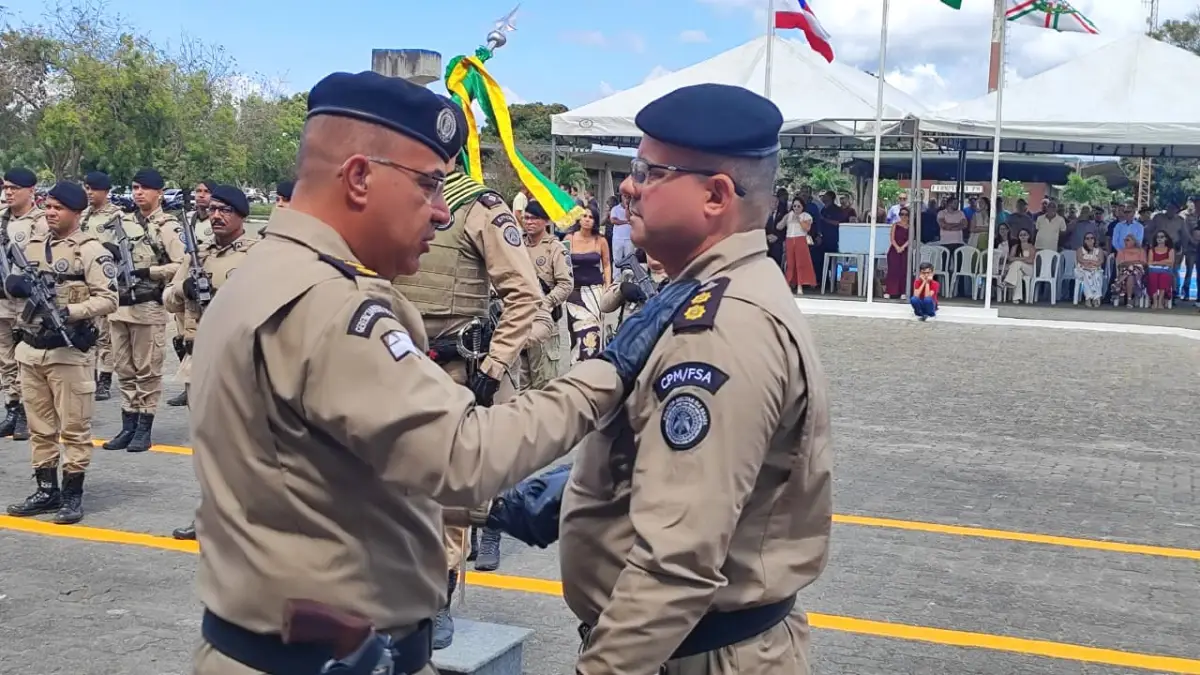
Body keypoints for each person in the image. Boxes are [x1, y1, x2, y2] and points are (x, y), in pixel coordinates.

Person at [187, 70, 696, 675]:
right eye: (429, 185)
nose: (438, 211)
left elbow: (326, 470)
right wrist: (607, 372)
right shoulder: (330, 305)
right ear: (358, 177)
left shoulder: (268, 271)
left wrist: (494, 508)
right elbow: (465, 454)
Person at [556, 83, 832, 675]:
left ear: (715, 195)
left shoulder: (721, 328)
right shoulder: (709, 294)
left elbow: (677, 561)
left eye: (649, 171)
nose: (629, 186)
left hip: (699, 654)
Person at [392, 117, 546, 645]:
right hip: (392, 362)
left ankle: (437, 597)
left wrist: (492, 367)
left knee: (444, 487)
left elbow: (525, 295)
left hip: (455, 368)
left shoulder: (478, 208)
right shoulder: (394, 199)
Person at [4, 182, 117, 524]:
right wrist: (16, 286)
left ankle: (71, 495)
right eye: (48, 207)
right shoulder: (34, 246)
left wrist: (72, 311)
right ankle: (45, 489)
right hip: (31, 351)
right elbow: (14, 284)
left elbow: (109, 299)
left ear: (76, 213)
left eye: (58, 208)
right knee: (40, 428)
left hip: (68, 355)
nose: (51, 213)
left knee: (74, 428)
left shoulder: (92, 250)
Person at [165, 184, 259, 541]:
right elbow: (168, 300)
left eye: (227, 211)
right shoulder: (195, 255)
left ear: (241, 217)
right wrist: (183, 289)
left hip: (238, 360)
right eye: (214, 209)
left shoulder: (257, 256)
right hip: (197, 358)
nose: (217, 215)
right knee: (205, 443)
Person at [101, 168, 185, 454]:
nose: (138, 193)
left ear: (159, 192)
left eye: (145, 188)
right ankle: (128, 423)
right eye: (135, 187)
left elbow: (181, 264)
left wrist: (150, 271)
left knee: (147, 370)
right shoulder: (122, 223)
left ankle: (144, 428)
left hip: (148, 307)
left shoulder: (166, 226)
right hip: (120, 307)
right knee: (124, 369)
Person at [0, 167, 49, 440]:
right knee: (6, 360)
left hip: (26, 301)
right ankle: (12, 407)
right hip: (2, 301)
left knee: (26, 360)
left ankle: (28, 414)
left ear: (31, 191)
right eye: (6, 187)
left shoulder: (40, 222)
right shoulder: (1, 220)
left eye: (14, 188)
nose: (9, 192)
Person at [166, 179, 218, 409]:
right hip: (188, 287)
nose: (201, 195)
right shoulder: (189, 220)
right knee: (184, 340)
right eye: (198, 191)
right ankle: (188, 385)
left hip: (211, 284)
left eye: (206, 192)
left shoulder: (214, 221)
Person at [519, 199, 573, 392]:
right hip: (521, 319)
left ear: (547, 221)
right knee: (522, 381)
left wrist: (546, 303)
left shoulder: (555, 248)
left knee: (544, 382)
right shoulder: (517, 246)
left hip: (545, 323)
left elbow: (566, 284)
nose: (529, 222)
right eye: (526, 217)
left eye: (534, 218)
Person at [80, 171, 123, 401]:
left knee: (105, 334)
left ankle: (105, 378)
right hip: (82, 281)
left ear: (106, 192)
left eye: (93, 189)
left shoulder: (116, 216)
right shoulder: (83, 215)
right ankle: (89, 374)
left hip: (105, 280)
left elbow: (122, 248)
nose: (89, 192)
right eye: (87, 187)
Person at [564, 207, 612, 360]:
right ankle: (577, 366)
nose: (586, 219)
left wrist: (607, 285)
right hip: (574, 292)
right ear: (579, 219)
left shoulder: (600, 240)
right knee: (577, 331)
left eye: (590, 217)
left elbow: (606, 264)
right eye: (584, 216)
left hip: (595, 291)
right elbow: (561, 263)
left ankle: (592, 365)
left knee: (593, 330)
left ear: (595, 221)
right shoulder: (569, 238)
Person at [782, 197, 816, 294]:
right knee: (790, 264)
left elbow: (807, 229)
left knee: (800, 263)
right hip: (789, 239)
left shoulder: (806, 216)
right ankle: (788, 284)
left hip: (800, 239)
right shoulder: (789, 215)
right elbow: (779, 226)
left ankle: (800, 285)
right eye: (794, 206)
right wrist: (784, 219)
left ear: (802, 207)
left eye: (798, 206)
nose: (796, 208)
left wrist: (799, 220)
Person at [884, 206, 912, 299]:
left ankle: (903, 291)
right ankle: (890, 291)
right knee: (893, 270)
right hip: (894, 250)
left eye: (906, 214)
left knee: (903, 271)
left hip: (905, 250)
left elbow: (910, 239)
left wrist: (903, 247)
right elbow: (892, 238)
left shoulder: (911, 227)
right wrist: (897, 247)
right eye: (901, 214)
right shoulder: (895, 225)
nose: (904, 216)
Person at [1003, 228, 1037, 304]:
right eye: (1021, 235)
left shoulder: (1031, 247)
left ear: (1028, 236)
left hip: (1029, 269)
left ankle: (1007, 281)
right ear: (1018, 237)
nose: (1023, 236)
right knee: (1018, 273)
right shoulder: (1015, 247)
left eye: (1025, 235)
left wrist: (1018, 259)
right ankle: (1016, 298)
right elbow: (1010, 259)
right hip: (1019, 269)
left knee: (1017, 263)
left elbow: (1031, 260)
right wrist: (1024, 259)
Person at [1074, 232, 1106, 307]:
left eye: (1091, 238)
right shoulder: (1080, 249)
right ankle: (1088, 298)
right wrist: (1091, 263)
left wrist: (1090, 264)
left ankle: (1096, 298)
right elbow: (1080, 260)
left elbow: (1100, 261)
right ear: (1084, 240)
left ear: (1094, 240)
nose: (1090, 240)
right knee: (1087, 274)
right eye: (1087, 238)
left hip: (1095, 269)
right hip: (1081, 270)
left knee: (1097, 275)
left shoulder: (1099, 250)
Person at [1145, 231, 1176, 309]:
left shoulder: (1170, 250)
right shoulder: (1152, 250)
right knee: (1153, 277)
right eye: (1158, 237)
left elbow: (1171, 263)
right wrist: (1164, 262)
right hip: (1154, 270)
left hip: (1166, 271)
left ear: (1166, 238)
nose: (1159, 239)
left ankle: (1160, 301)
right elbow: (1149, 263)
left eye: (1162, 237)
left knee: (1164, 277)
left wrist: (1156, 262)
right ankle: (1155, 301)